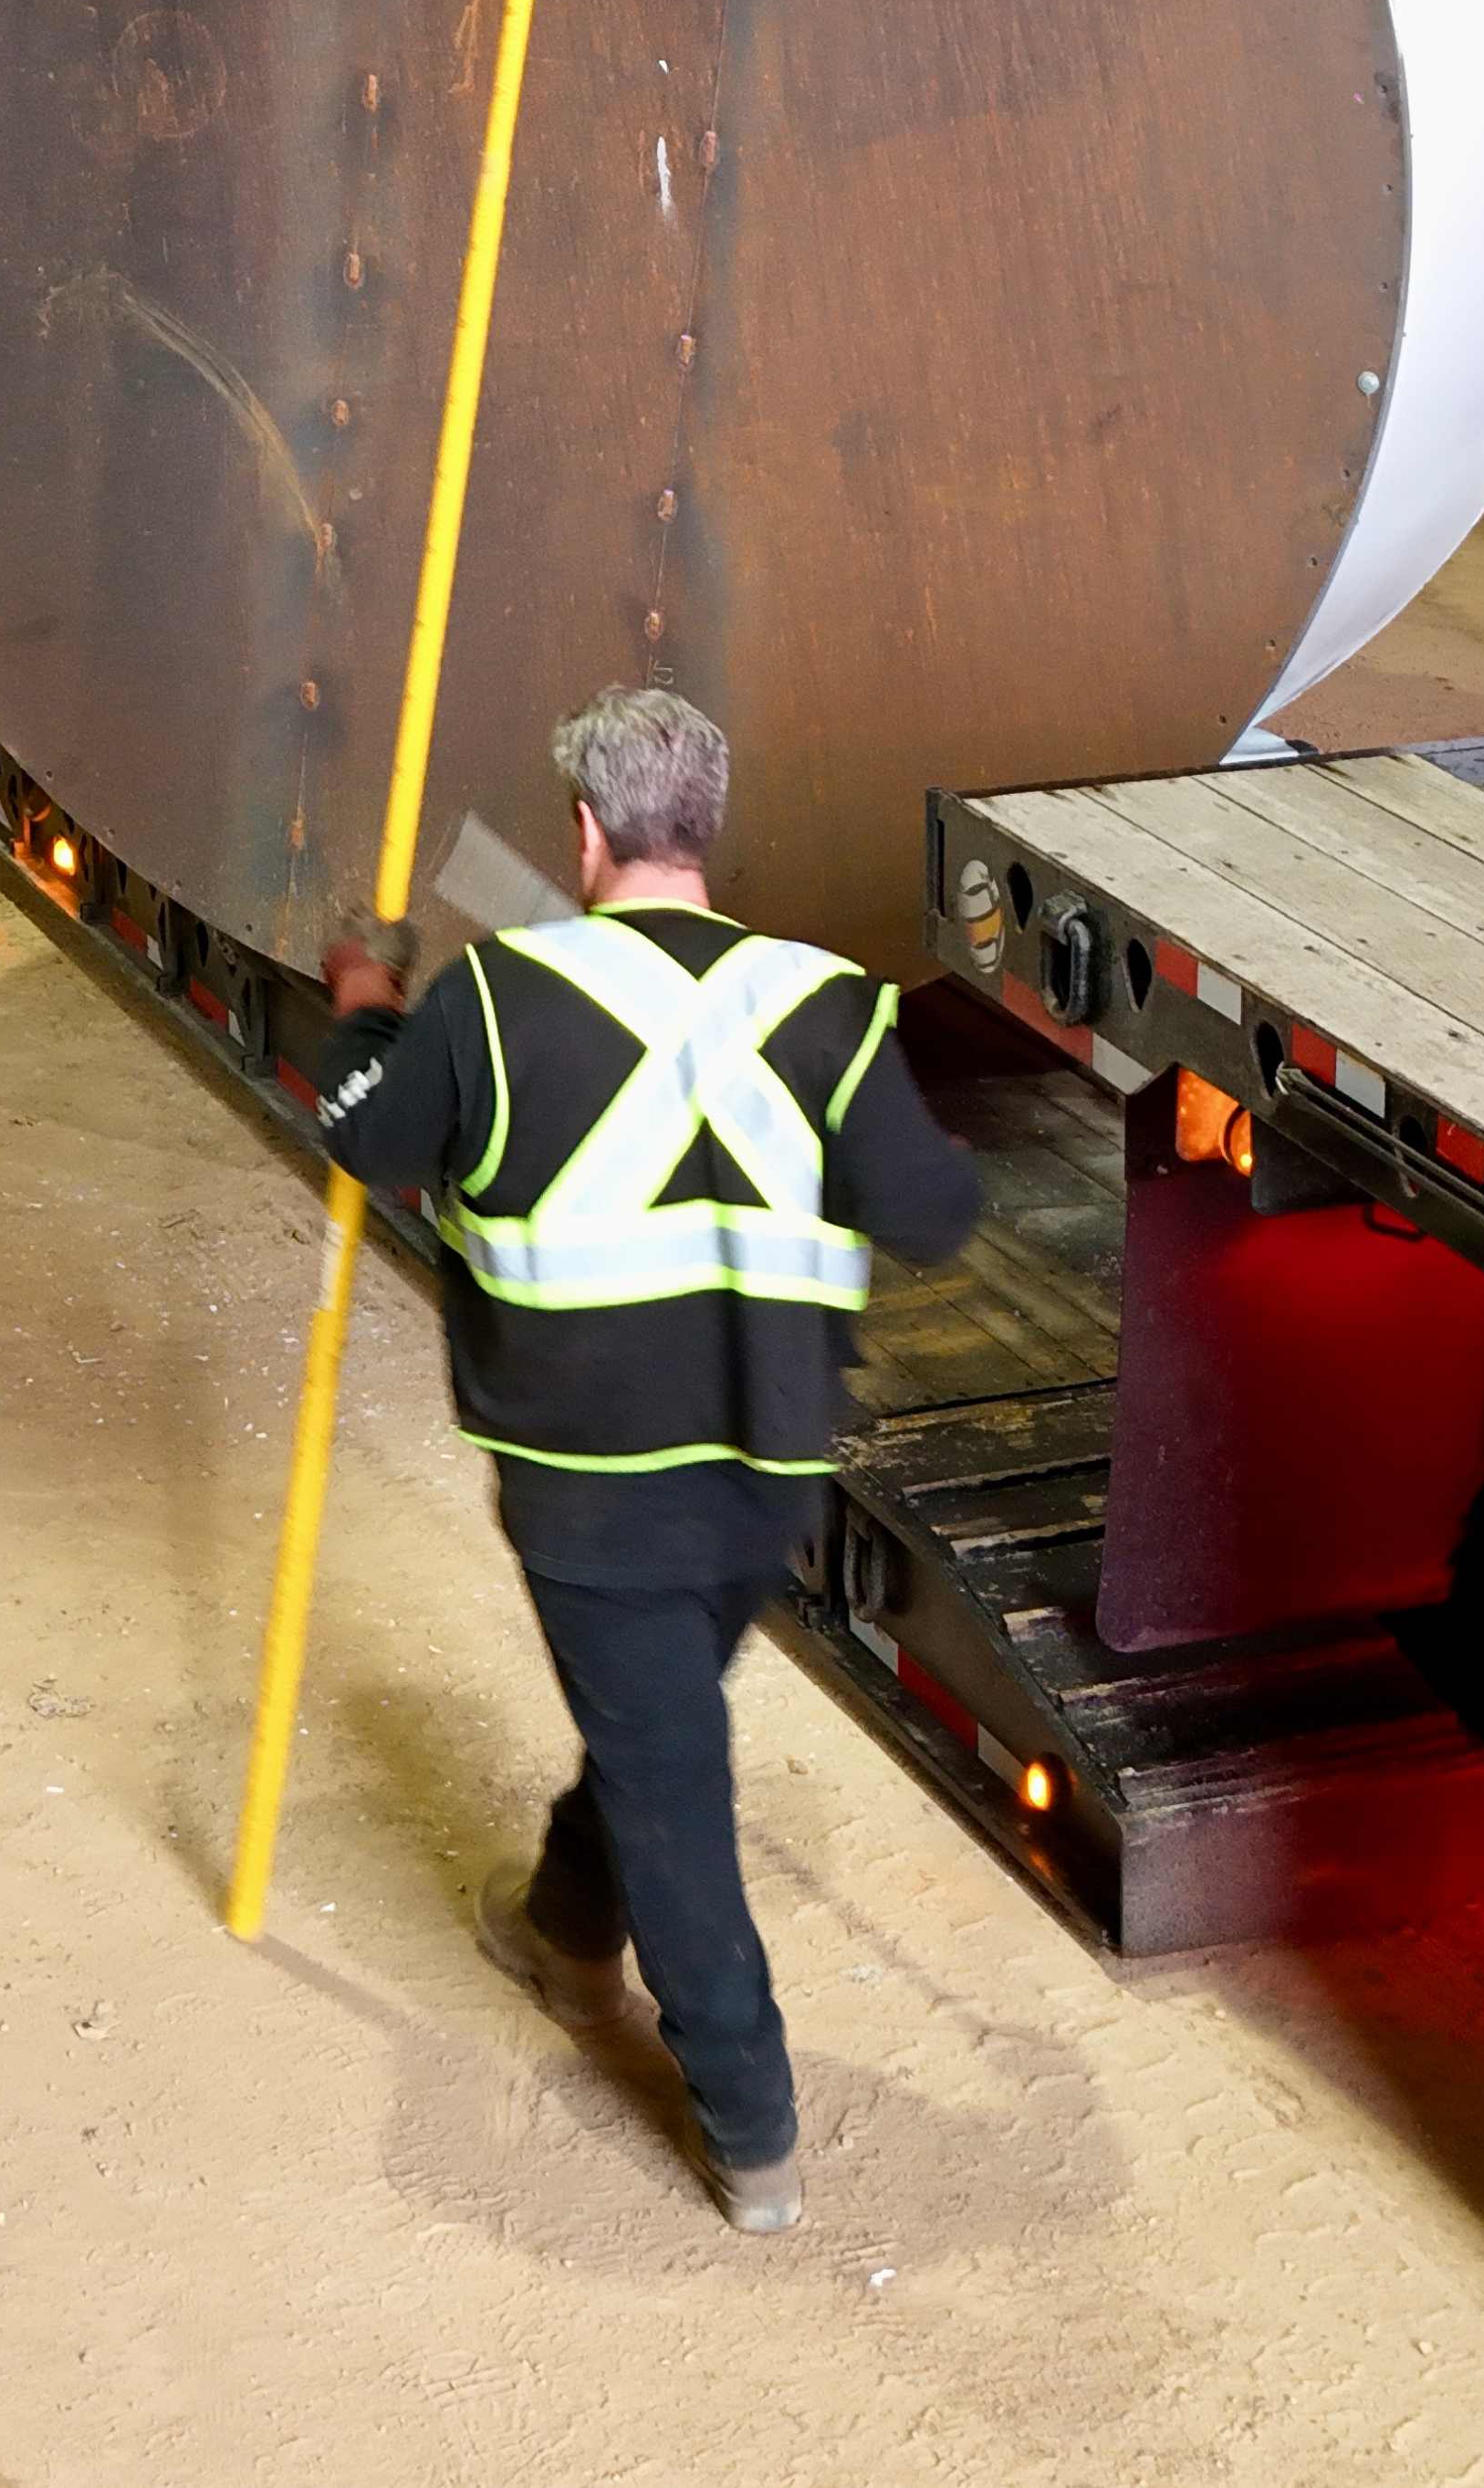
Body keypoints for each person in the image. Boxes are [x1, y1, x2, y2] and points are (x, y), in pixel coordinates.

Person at [308, 685, 976, 2239]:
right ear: (705, 830)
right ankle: (557, 1921)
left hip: (590, 1492)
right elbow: (938, 1214)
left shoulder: (486, 1001)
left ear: (586, 832)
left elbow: (364, 1132)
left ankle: (752, 2128)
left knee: (672, 1779)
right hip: (766, 1487)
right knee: (655, 1731)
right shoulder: (824, 1001)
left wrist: (360, 999)